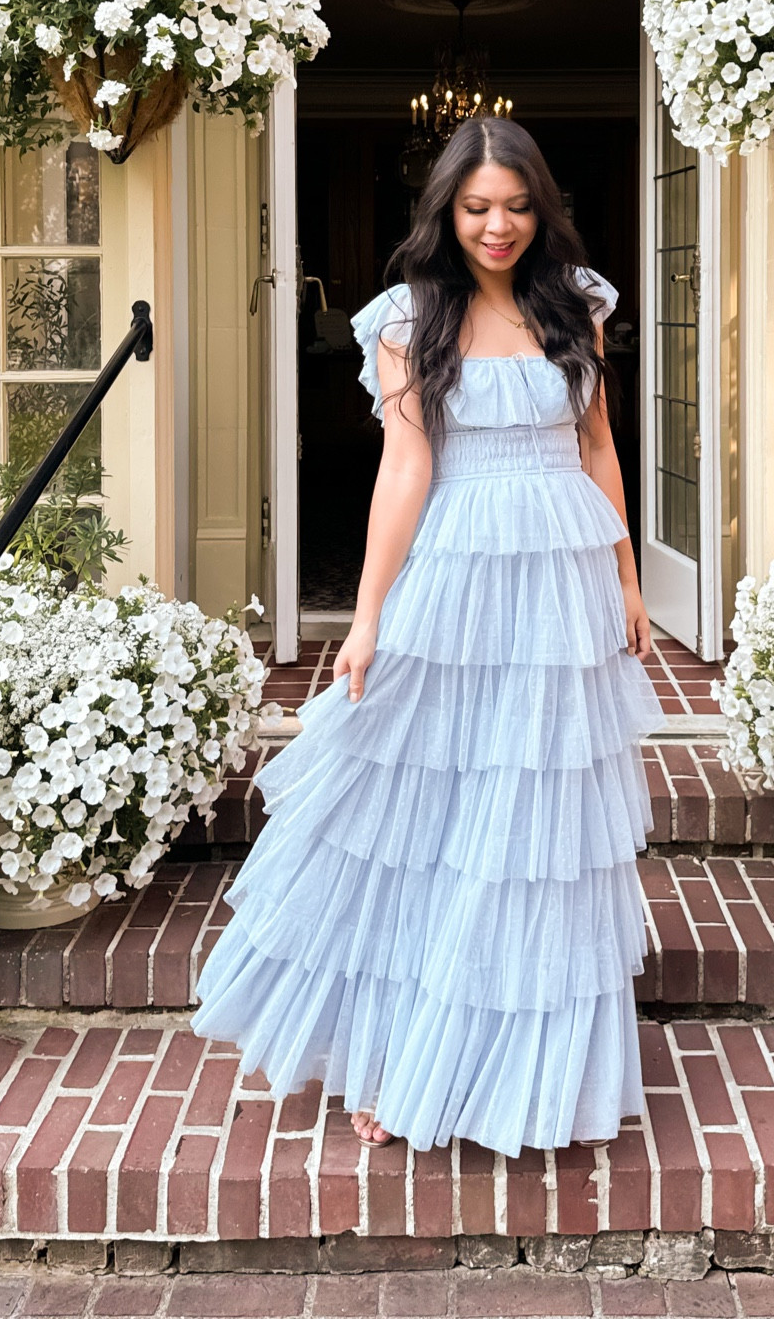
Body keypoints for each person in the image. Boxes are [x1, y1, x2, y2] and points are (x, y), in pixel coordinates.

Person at [192, 116, 664, 1155]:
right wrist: (365, 619)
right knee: (442, 815)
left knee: (536, 825)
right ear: (446, 212)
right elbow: (404, 472)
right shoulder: (409, 318)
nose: (498, 226)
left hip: (561, 581)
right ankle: (412, 1056)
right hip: (454, 578)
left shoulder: (574, 305)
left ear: (543, 209)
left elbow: (597, 449)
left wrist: (629, 581)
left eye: (517, 206)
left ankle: (529, 1062)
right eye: (477, 208)